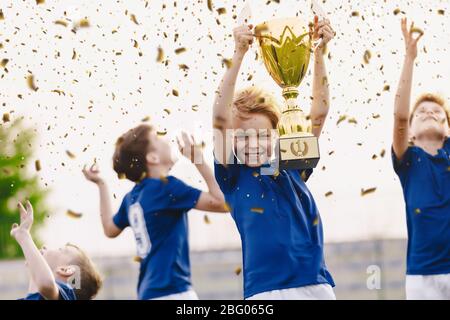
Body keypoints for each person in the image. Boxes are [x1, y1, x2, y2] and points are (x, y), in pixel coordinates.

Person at [212, 17, 336, 300]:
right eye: (243, 137)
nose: (253, 144)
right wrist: (239, 53)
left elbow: (318, 114)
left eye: (262, 136)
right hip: (263, 291)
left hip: (315, 285)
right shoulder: (233, 175)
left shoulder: (290, 163)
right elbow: (219, 119)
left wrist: (319, 54)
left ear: (276, 135)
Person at [83, 125, 227, 300]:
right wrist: (198, 159)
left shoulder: (132, 198)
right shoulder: (166, 187)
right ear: (153, 157)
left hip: (147, 293)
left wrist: (101, 184)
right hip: (173, 291)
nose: (166, 139)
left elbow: (109, 228)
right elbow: (221, 203)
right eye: (158, 138)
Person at [392, 17, 450, 300]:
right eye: (421, 112)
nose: (429, 112)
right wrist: (409, 58)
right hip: (422, 275)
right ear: (411, 132)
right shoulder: (409, 160)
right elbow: (400, 116)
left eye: (437, 112)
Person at [11, 200, 102, 300]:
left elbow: (46, 284)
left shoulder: (67, 294)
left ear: (65, 270)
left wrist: (23, 235)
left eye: (60, 249)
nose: (45, 246)